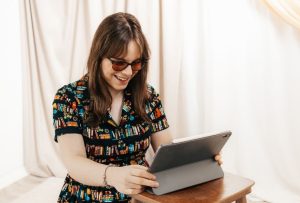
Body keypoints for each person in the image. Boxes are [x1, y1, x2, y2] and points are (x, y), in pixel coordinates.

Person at [52, 12, 222, 203]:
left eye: (135, 64)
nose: (127, 72)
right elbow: (74, 162)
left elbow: (166, 152)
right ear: (99, 56)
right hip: (85, 198)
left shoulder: (148, 97)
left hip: (140, 198)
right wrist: (113, 175)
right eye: (119, 63)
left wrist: (198, 160)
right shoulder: (68, 98)